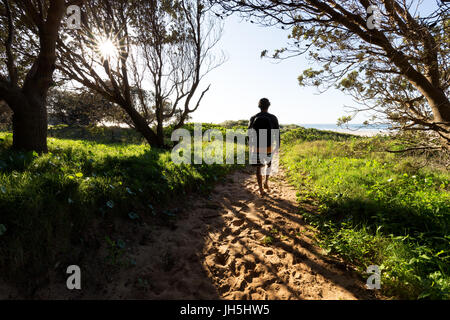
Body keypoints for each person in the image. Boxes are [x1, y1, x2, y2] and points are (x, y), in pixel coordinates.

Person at [248, 98, 280, 197]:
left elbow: (249, 133)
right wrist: (277, 145)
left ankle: (261, 189)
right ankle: (266, 181)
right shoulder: (273, 117)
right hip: (268, 145)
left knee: (258, 168)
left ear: (259, 106)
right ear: (268, 106)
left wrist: (250, 145)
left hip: (257, 146)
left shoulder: (253, 117)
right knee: (268, 164)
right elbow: (277, 133)